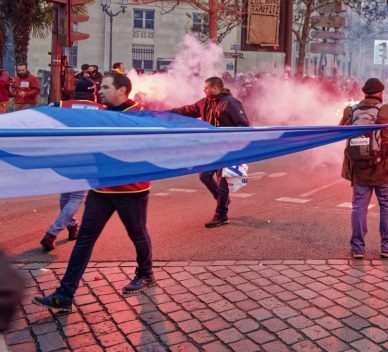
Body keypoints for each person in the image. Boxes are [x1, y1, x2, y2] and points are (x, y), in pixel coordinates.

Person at [33, 72, 155, 313]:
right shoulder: (102, 112)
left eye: (106, 87)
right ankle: (65, 293)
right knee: (85, 239)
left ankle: (146, 274)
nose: (100, 91)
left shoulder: (140, 115)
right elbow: (70, 110)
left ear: (122, 90)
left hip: (131, 189)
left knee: (138, 234)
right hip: (101, 187)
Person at [169, 76, 250, 227]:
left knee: (222, 182)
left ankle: (221, 215)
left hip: (229, 149)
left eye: (206, 88)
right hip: (212, 149)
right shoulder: (204, 102)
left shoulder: (231, 103)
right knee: (204, 175)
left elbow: (243, 125)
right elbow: (186, 110)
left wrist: (224, 133)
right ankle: (222, 199)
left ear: (215, 87)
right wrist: (167, 113)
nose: (203, 90)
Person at [340, 78, 388, 259]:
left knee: (359, 207)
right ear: (381, 93)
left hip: (359, 169)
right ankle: (387, 246)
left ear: (365, 92)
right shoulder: (387, 110)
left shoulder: (350, 111)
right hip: (385, 170)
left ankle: (357, 248)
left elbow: (340, 131)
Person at [39, 100, 107, 251]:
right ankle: (53, 233)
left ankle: (72, 226)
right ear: (93, 92)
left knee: (65, 198)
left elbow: (43, 115)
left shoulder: (62, 104)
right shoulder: (102, 109)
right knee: (76, 198)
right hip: (87, 158)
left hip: (64, 156)